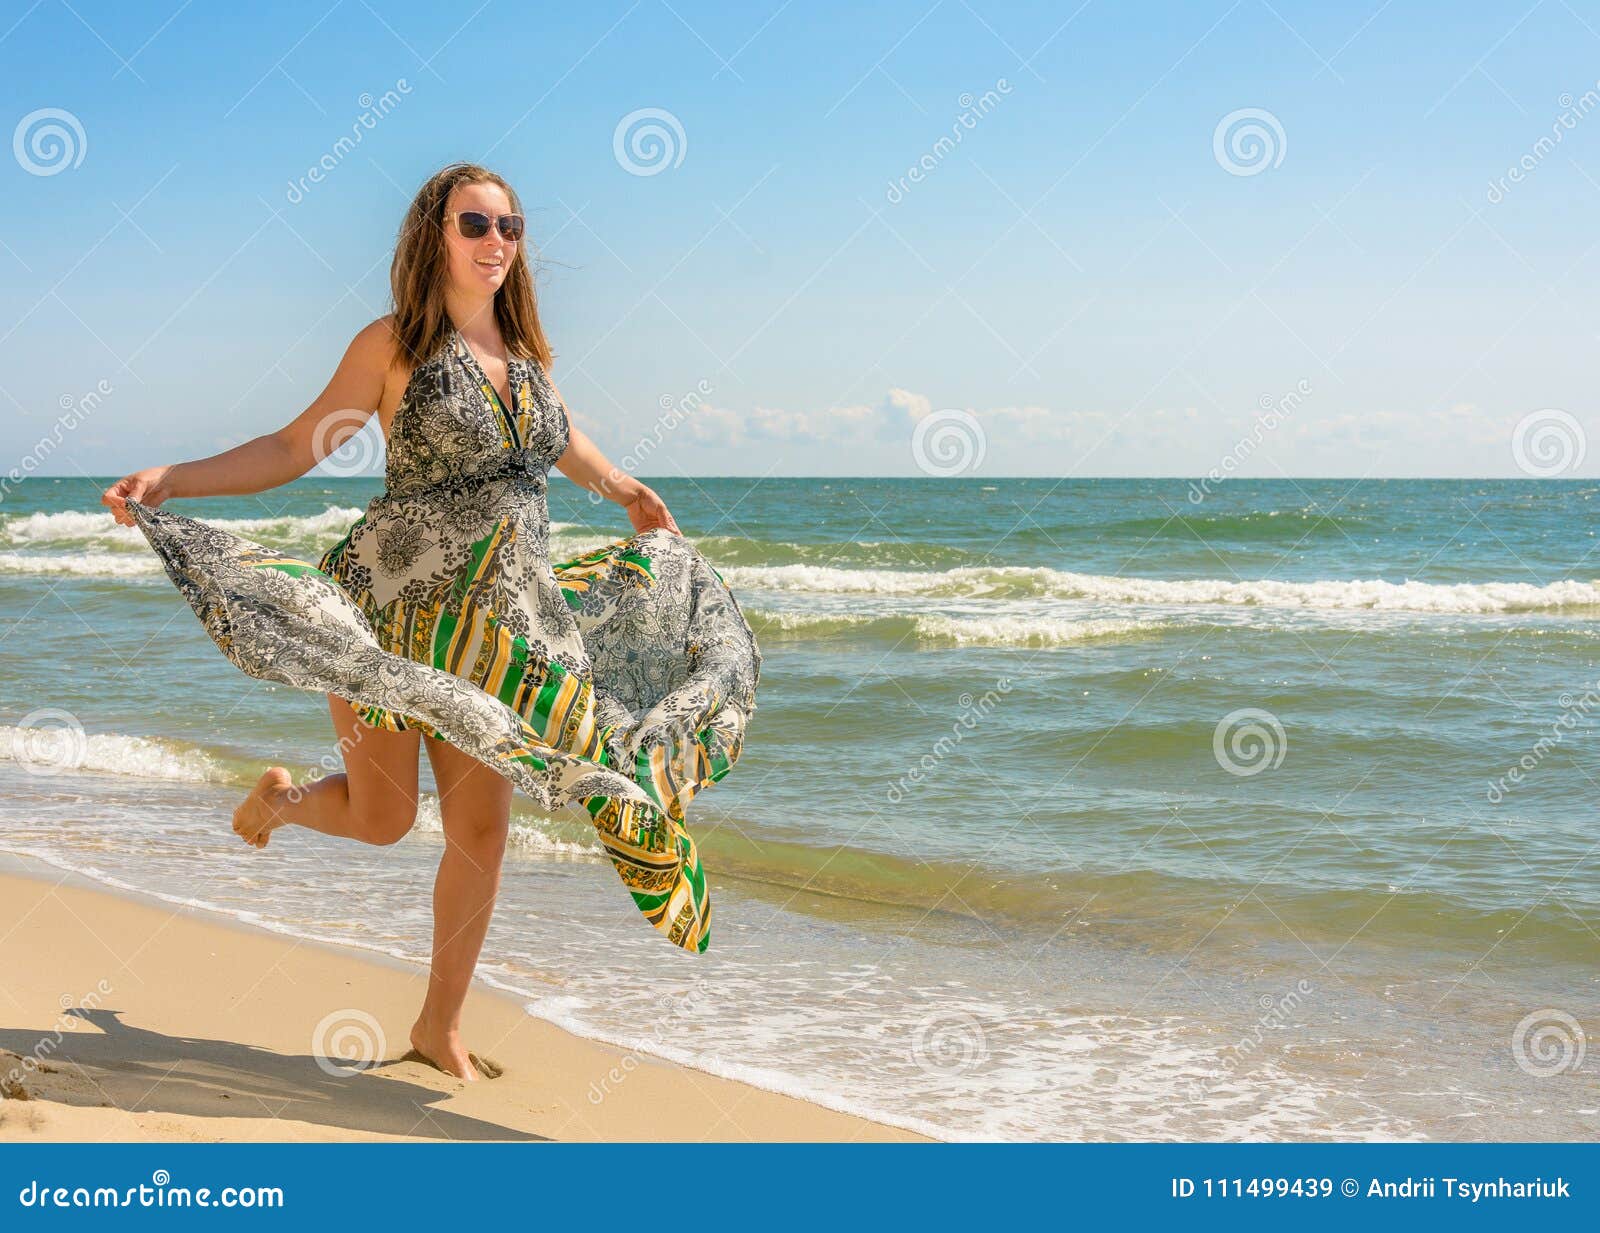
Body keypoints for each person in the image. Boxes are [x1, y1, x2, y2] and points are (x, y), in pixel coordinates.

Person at [101, 162, 758, 1081]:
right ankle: (281, 804)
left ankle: (435, 1025)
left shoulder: (528, 353)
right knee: (383, 820)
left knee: (482, 832)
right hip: (390, 618)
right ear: (434, 234)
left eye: (512, 226)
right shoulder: (394, 345)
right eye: (476, 223)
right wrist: (172, 477)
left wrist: (621, 487)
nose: (498, 242)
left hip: (501, 634)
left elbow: (559, 437)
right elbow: (295, 446)